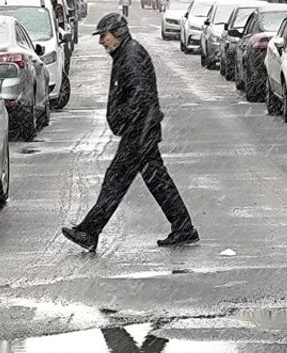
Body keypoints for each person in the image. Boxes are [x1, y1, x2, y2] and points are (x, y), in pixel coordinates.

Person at [62, 13, 199, 253]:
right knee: (156, 181)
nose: (101, 41)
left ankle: (89, 231)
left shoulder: (131, 55)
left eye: (104, 36)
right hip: (141, 131)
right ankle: (183, 227)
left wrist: (127, 123)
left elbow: (139, 96)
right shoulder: (125, 53)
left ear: (119, 33)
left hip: (139, 132)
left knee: (116, 182)